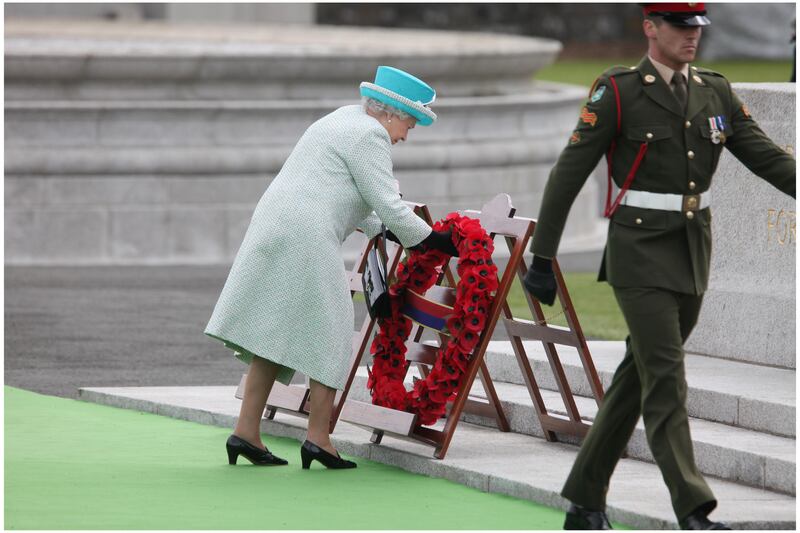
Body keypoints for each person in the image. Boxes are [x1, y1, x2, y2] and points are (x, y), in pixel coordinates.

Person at [523, 3, 795, 530]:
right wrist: (543, 257)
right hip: (639, 254)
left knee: (638, 374)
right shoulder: (619, 90)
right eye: (679, 26)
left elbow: (766, 156)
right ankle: (692, 507)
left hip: (692, 251)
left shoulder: (715, 90)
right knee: (666, 376)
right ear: (651, 27)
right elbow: (568, 174)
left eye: (697, 27)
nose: (692, 36)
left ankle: (584, 500)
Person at [205, 66, 458, 470]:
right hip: (306, 234)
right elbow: (387, 203)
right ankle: (319, 439)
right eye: (409, 123)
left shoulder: (342, 118)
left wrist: (392, 232)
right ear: (391, 113)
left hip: (276, 224)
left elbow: (351, 197)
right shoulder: (371, 134)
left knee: (275, 330)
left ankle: (246, 433)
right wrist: (437, 241)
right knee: (335, 330)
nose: (406, 135)